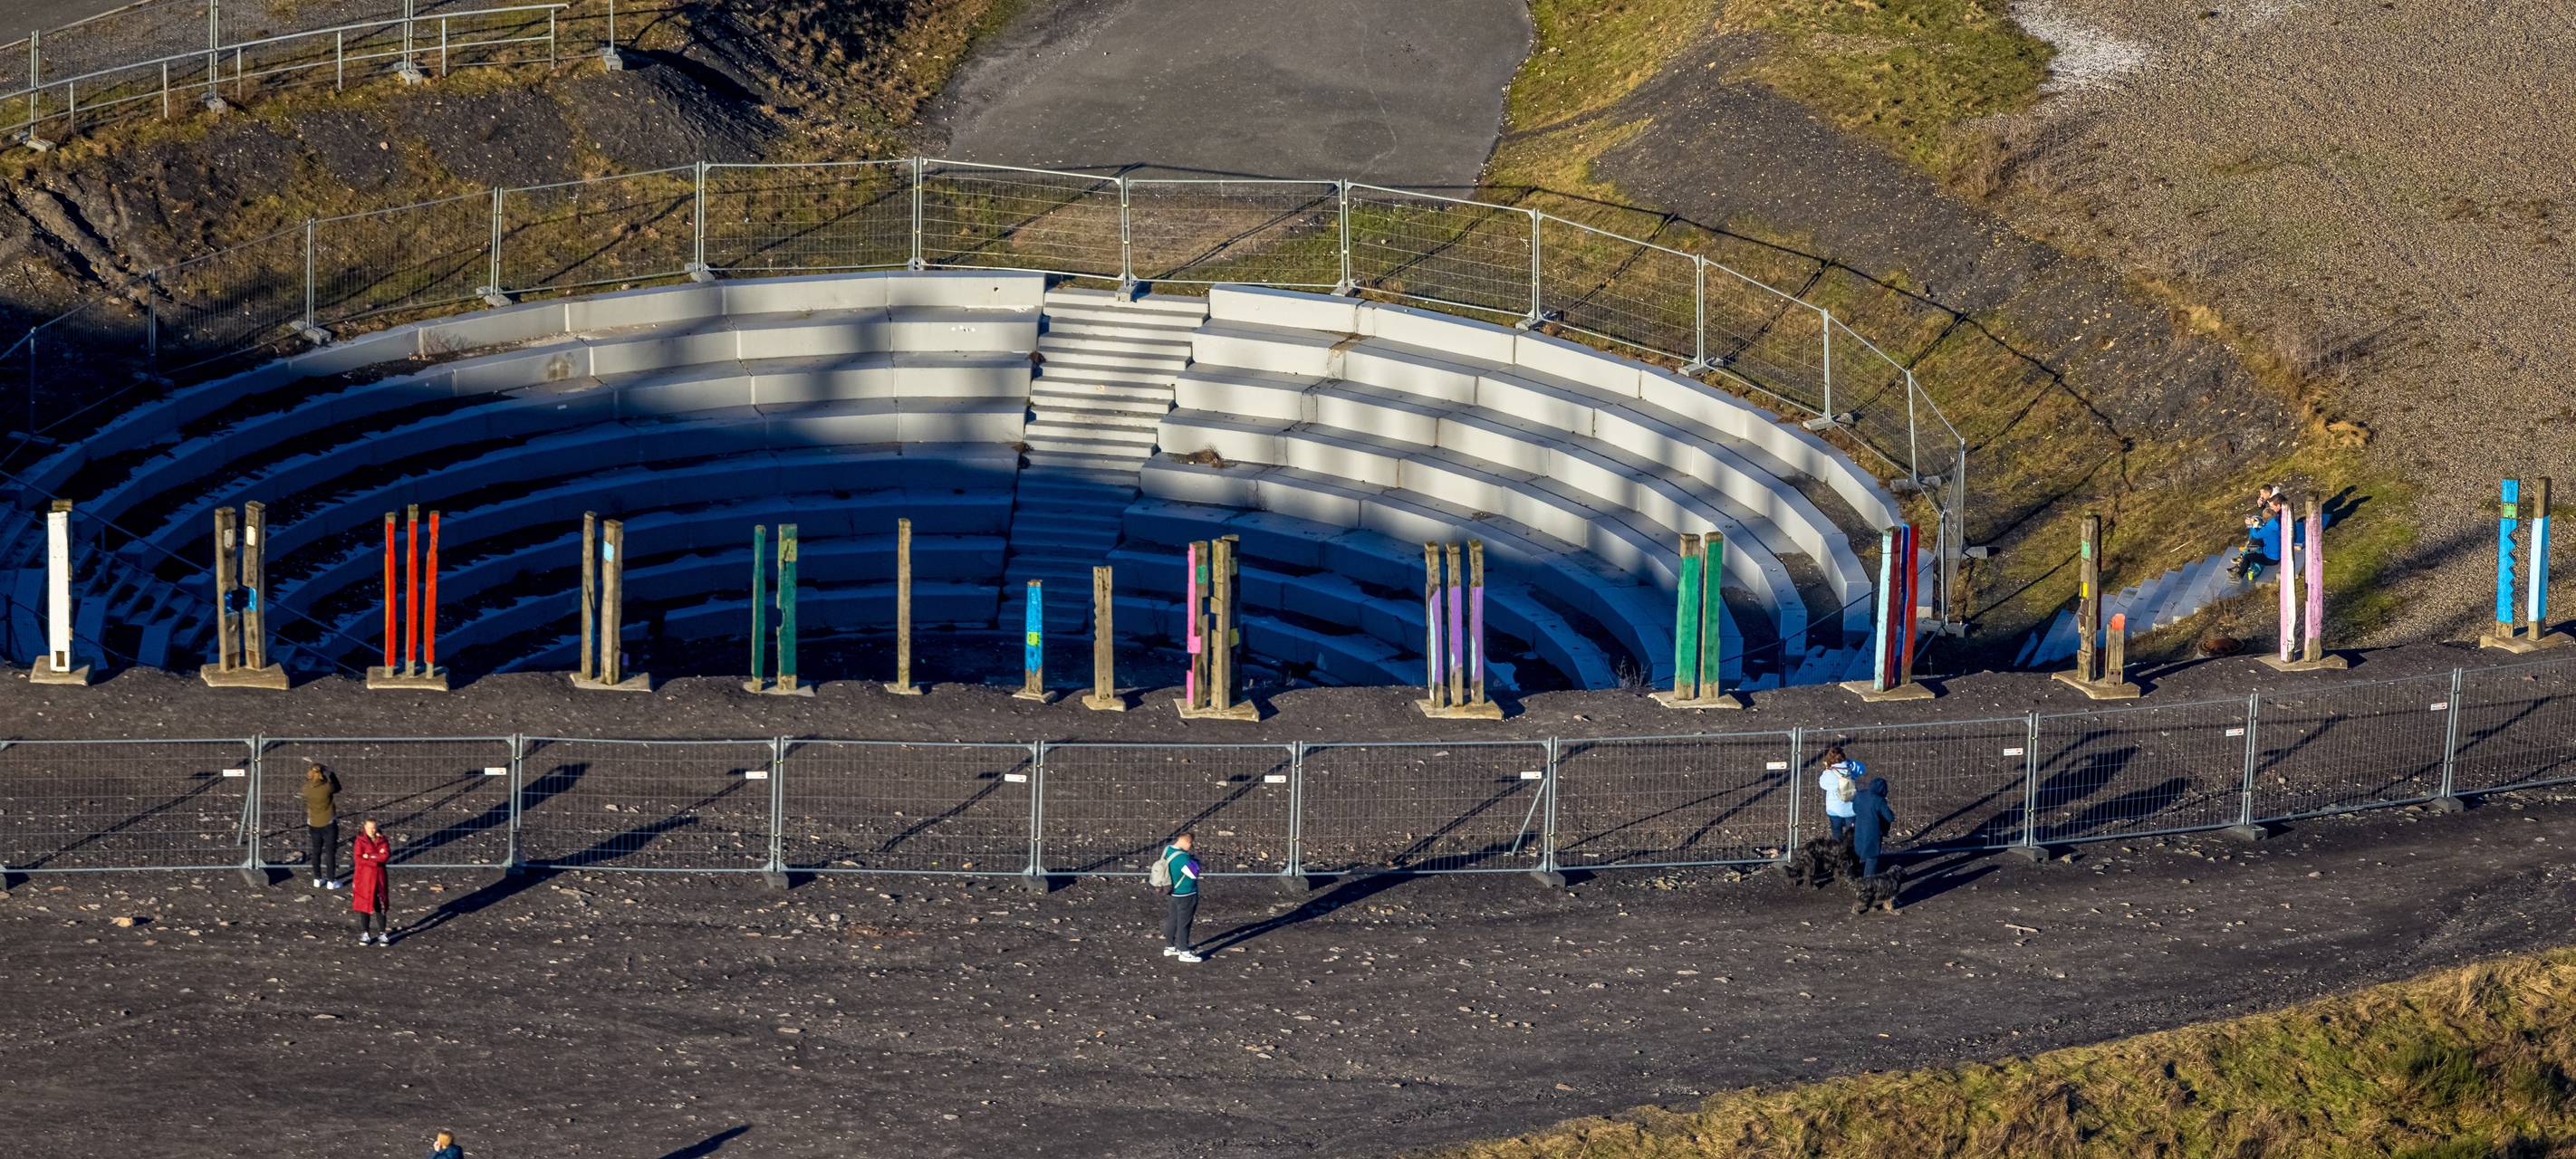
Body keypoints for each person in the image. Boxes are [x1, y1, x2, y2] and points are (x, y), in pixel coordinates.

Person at [1159, 833, 1202, 963]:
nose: (1191, 847)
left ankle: (1170, 946)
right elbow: (1194, 873)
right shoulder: (1183, 858)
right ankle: (1184, 951)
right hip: (1186, 893)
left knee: (1173, 919)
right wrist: (1195, 861)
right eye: (1191, 844)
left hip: (1172, 891)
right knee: (1184, 923)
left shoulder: (1168, 849)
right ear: (1187, 842)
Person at [351, 818, 393, 946]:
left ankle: (382, 933)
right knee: (364, 904)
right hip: (364, 878)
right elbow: (358, 859)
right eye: (369, 827)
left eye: (374, 827)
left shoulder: (383, 840)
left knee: (380, 905)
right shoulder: (360, 840)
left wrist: (368, 856)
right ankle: (365, 933)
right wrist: (376, 857)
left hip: (379, 878)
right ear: (364, 827)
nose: (372, 830)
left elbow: (385, 856)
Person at [302, 763, 343, 890]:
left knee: (316, 851)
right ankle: (331, 880)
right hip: (328, 822)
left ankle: (317, 878)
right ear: (322, 774)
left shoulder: (306, 788)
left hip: (313, 822)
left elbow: (309, 783)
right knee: (330, 852)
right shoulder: (327, 787)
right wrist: (331, 773)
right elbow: (338, 787)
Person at [1851, 776, 1897, 879]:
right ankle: (1868, 880)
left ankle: (1854, 874)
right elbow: (1889, 817)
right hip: (1873, 831)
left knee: (1858, 851)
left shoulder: (1860, 795)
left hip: (1859, 828)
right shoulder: (1879, 801)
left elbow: (1855, 809)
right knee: (1872, 856)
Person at [1815, 745, 1863, 841]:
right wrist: (1848, 762)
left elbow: (1823, 785)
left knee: (1836, 833)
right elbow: (1862, 768)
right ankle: (1853, 853)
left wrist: (1827, 768)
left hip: (1834, 809)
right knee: (1852, 835)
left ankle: (1838, 853)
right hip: (1851, 808)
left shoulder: (1829, 773)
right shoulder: (1851, 768)